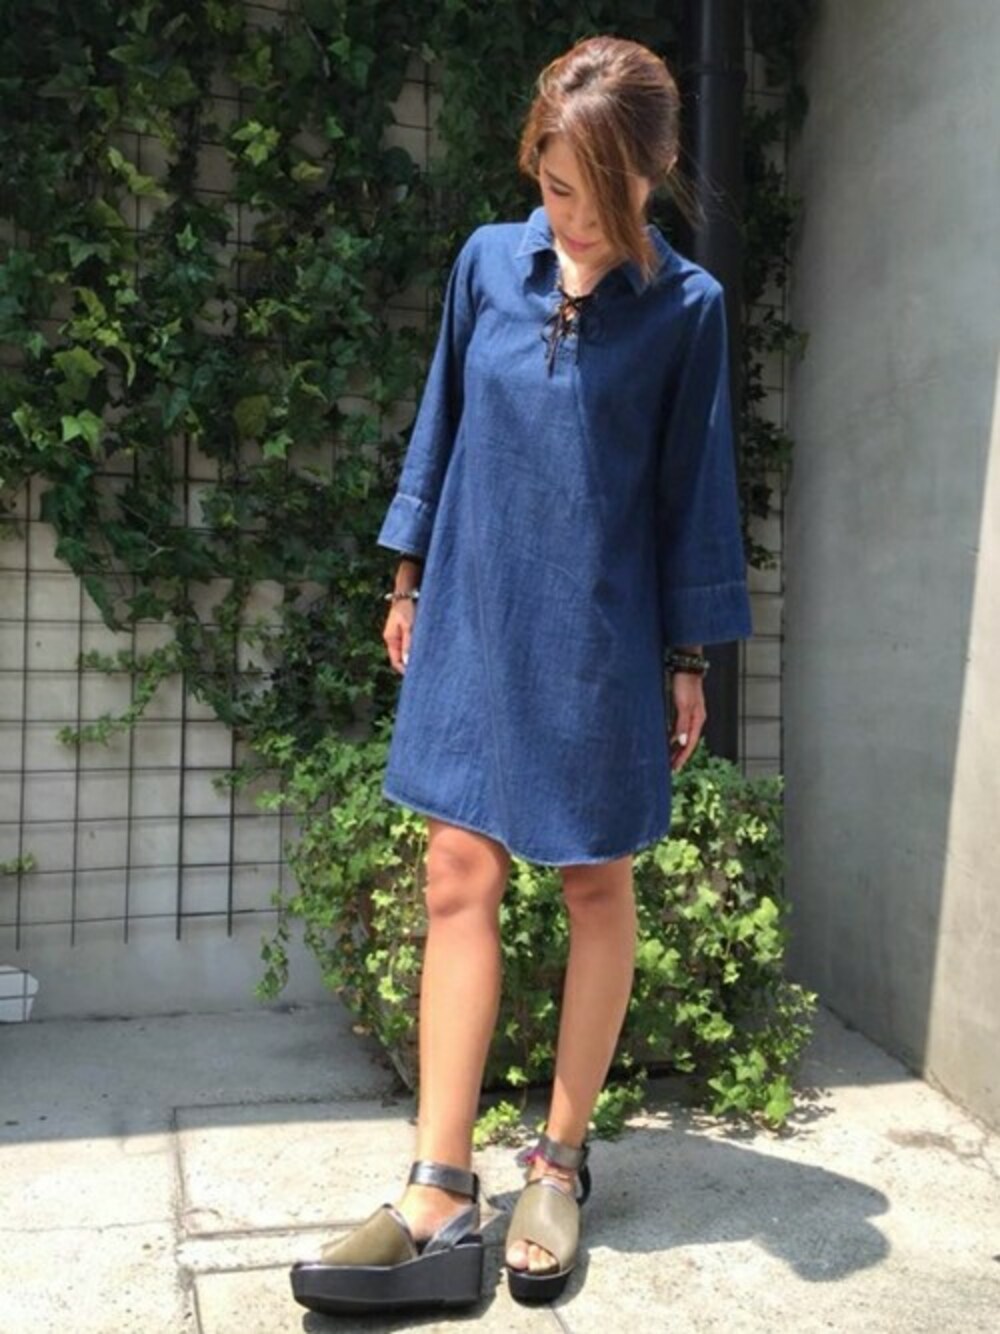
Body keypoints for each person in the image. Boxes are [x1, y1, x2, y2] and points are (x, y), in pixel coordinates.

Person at [290, 32, 753, 1317]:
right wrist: (407, 577)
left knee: (594, 878)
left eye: (598, 194)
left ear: (654, 172)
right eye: (552, 186)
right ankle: (439, 1187)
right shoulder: (486, 264)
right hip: (475, 604)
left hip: (600, 626)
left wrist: (685, 655)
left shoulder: (688, 308)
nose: (571, 218)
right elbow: (440, 422)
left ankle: (557, 1160)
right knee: (457, 866)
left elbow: (691, 491)